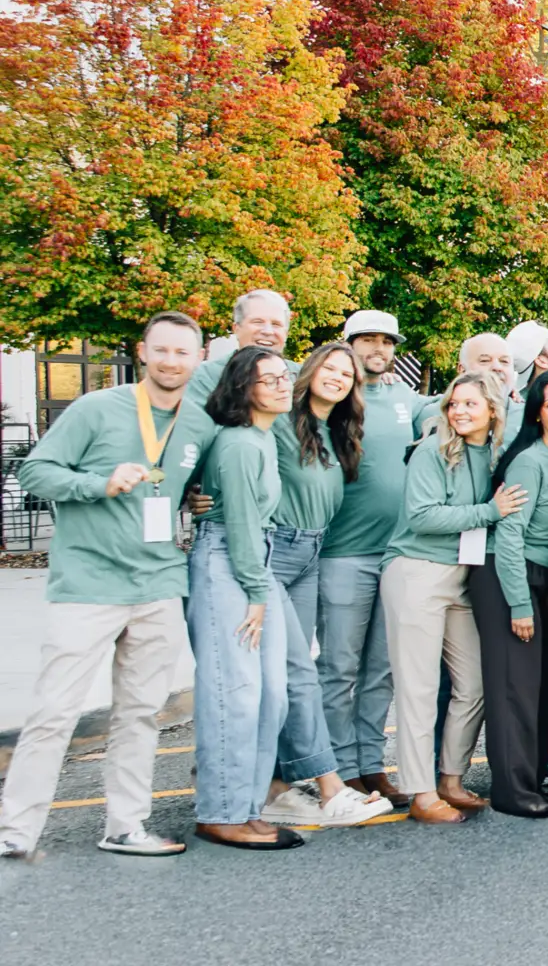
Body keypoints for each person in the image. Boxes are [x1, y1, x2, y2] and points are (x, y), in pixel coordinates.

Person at [1, 315, 214, 859]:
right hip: (89, 584)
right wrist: (97, 485)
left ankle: (126, 825)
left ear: (198, 357)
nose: (171, 361)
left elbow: (184, 487)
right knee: (54, 713)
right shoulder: (97, 408)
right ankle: (16, 832)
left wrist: (196, 500)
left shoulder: (199, 423)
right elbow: (35, 472)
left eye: (183, 353)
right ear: (143, 352)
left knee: (140, 713)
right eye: (161, 350)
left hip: (158, 582)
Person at [255, 341, 394, 830]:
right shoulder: (279, 421)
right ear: (310, 370)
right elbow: (234, 453)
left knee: (288, 675)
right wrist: (203, 496)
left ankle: (280, 782)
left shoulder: (335, 431)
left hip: (311, 553)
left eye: (346, 374)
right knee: (298, 671)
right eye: (330, 368)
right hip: (276, 551)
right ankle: (329, 787)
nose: (337, 377)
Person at [383, 370, 523, 824]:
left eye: (470, 404)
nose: (459, 412)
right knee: (419, 688)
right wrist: (490, 511)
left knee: (474, 684)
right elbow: (422, 516)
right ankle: (420, 792)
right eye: (453, 404)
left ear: (492, 410)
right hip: (417, 571)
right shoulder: (432, 451)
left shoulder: (498, 453)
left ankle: (450, 777)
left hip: (465, 575)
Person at [182, 348, 309, 849]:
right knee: (234, 693)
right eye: (270, 380)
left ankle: (247, 805)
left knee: (271, 694)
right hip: (229, 568)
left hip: (253, 564)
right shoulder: (237, 445)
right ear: (243, 389)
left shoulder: (259, 440)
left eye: (285, 377)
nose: (283, 386)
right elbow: (236, 524)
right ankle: (220, 811)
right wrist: (257, 592)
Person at [315, 310, 417, 803]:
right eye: (367, 340)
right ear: (348, 344)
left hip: (397, 554)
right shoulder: (331, 398)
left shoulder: (406, 400)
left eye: (385, 341)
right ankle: (337, 769)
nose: (377, 348)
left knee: (382, 668)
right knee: (339, 667)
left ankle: (371, 765)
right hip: (342, 553)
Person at [480, 370, 548, 819]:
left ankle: (533, 779)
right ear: (536, 411)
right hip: (508, 578)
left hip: (540, 580)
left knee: (541, 687)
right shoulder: (529, 460)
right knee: (514, 690)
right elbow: (509, 537)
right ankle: (513, 793)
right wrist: (521, 604)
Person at [185, 289, 294, 405]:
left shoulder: (303, 379)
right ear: (236, 329)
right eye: (258, 322)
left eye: (276, 324)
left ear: (286, 333)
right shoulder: (205, 377)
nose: (268, 331)